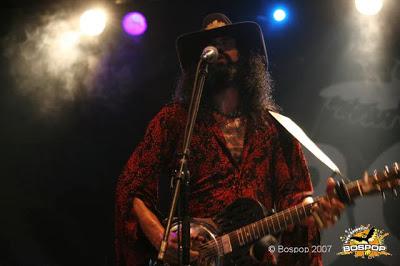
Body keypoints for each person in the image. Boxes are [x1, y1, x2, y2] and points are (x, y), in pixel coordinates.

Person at [115, 13, 344, 266]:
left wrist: (312, 210)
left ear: (246, 54)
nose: (218, 49)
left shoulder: (274, 126)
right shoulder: (176, 120)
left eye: (226, 42)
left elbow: (295, 195)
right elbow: (132, 187)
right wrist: (161, 241)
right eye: (210, 44)